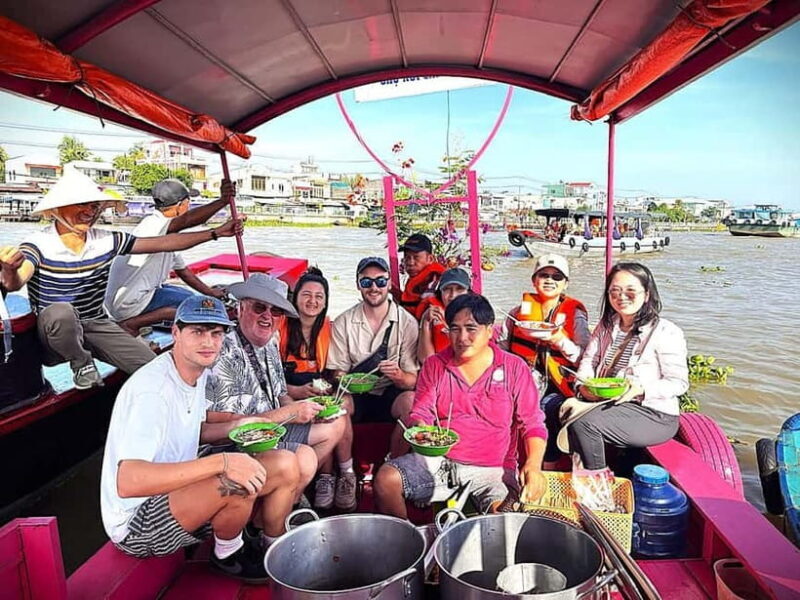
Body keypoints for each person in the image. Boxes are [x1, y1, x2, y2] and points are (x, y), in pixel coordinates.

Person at [100, 295, 299, 581]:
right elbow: (129, 482)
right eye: (198, 331)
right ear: (176, 333)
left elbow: (198, 427)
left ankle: (271, 544)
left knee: (284, 463)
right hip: (137, 522)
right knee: (235, 477)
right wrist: (223, 462)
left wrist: (241, 423)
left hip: (179, 486)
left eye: (216, 333)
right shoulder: (152, 392)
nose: (208, 342)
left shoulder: (195, 372)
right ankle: (228, 553)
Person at [0, 170, 243, 389]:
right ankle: (81, 362)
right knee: (61, 312)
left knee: (157, 370)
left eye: (94, 206)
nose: (89, 212)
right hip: (55, 336)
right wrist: (10, 269)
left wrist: (216, 233)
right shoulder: (39, 243)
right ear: (55, 210)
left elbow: (165, 243)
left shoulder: (105, 240)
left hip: (95, 324)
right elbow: (17, 281)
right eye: (80, 205)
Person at [374, 294, 548, 518]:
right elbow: (422, 412)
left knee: (502, 523)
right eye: (454, 329)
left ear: (489, 330)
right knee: (385, 480)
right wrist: (422, 431)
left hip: (495, 470)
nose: (462, 337)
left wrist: (533, 466)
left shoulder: (514, 367)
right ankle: (412, 542)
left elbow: (532, 423)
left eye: (471, 328)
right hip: (442, 464)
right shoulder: (435, 365)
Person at [205, 273, 348, 510]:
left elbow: (281, 394)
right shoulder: (223, 353)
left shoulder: (271, 342)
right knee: (304, 458)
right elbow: (225, 427)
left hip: (272, 428)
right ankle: (275, 509)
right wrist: (291, 412)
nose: (267, 317)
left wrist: (307, 410)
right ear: (240, 308)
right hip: (240, 442)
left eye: (276, 311)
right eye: (259, 307)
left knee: (336, 424)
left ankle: (282, 503)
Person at [558, 262, 689, 471]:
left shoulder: (666, 331)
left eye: (630, 291)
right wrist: (582, 387)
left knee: (585, 423)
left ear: (646, 294)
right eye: (615, 291)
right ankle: (560, 471)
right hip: (608, 402)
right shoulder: (606, 326)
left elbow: (679, 383)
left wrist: (642, 389)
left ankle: (597, 489)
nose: (621, 297)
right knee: (555, 406)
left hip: (653, 413)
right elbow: (589, 361)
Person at [105, 178, 235, 335]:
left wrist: (211, 292)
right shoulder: (155, 225)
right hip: (126, 304)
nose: (189, 206)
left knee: (187, 295)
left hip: (122, 300)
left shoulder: (164, 233)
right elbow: (186, 220)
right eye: (188, 202)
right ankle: (133, 323)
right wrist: (222, 205)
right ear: (180, 205)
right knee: (193, 306)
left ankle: (140, 321)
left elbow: (184, 272)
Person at [277, 267, 357, 511]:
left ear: (325, 302)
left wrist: (335, 388)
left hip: (320, 387)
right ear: (296, 298)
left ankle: (345, 476)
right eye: (306, 295)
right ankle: (326, 476)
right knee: (328, 414)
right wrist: (297, 392)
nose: (312, 301)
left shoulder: (328, 329)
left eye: (319, 297)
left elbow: (332, 372)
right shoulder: (279, 326)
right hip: (287, 391)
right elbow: (273, 381)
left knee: (343, 407)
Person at [327, 256, 419, 458]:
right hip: (355, 394)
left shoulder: (407, 323)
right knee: (338, 404)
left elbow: (412, 380)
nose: (374, 287)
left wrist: (399, 376)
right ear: (358, 285)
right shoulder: (344, 321)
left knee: (412, 403)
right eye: (366, 282)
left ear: (388, 284)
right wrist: (347, 380)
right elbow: (337, 371)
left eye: (380, 281)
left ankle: (393, 465)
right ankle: (346, 471)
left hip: (390, 392)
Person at [504, 254, 590, 464]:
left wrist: (560, 340)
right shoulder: (517, 313)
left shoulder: (574, 315)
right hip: (522, 380)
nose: (550, 280)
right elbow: (502, 349)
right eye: (544, 275)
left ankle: (546, 468)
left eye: (557, 277)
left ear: (565, 284)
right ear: (534, 280)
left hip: (560, 384)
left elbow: (586, 359)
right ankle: (503, 461)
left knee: (546, 408)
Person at [416, 267, 472, 363]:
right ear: (440, 292)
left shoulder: (477, 314)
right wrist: (425, 323)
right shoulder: (432, 314)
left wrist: (447, 326)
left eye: (459, 289)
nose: (453, 295)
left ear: (468, 292)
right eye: (447, 289)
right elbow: (426, 360)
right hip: (439, 370)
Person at [397, 233, 445, 315]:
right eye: (407, 257)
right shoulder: (417, 277)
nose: (410, 263)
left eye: (416, 257)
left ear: (430, 259)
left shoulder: (434, 279)